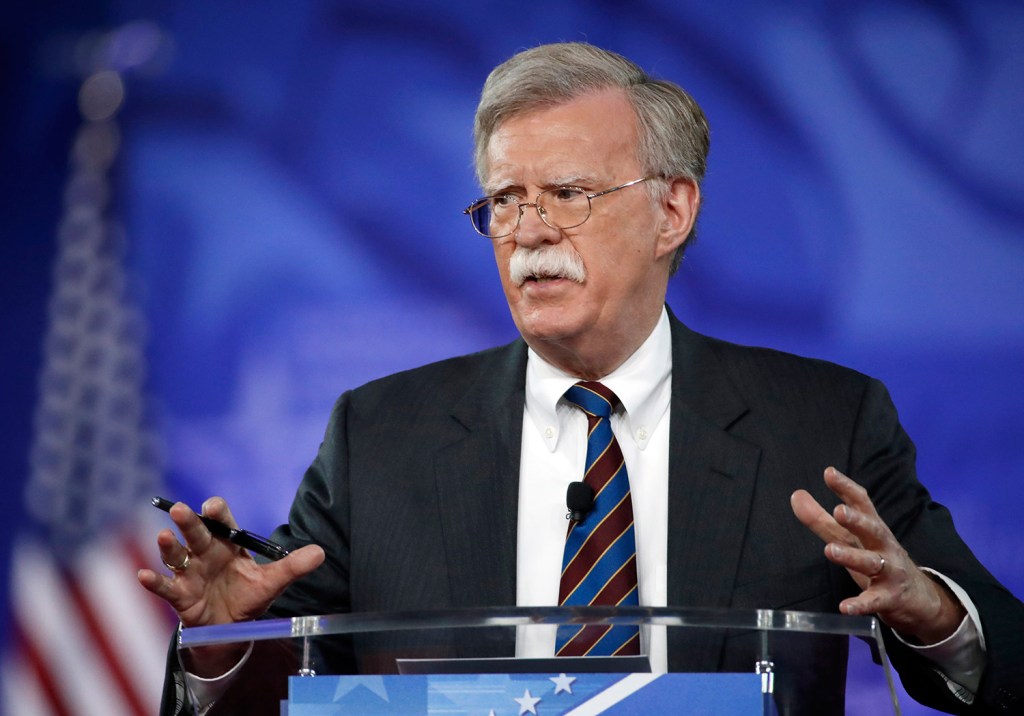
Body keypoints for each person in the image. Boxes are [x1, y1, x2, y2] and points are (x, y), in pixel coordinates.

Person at [138, 42, 1023, 714]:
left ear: (671, 210)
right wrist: (226, 642)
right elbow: (292, 691)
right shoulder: (378, 435)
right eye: (505, 201)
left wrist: (933, 615)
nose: (527, 232)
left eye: (566, 193)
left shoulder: (823, 421)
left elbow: (1003, 659)